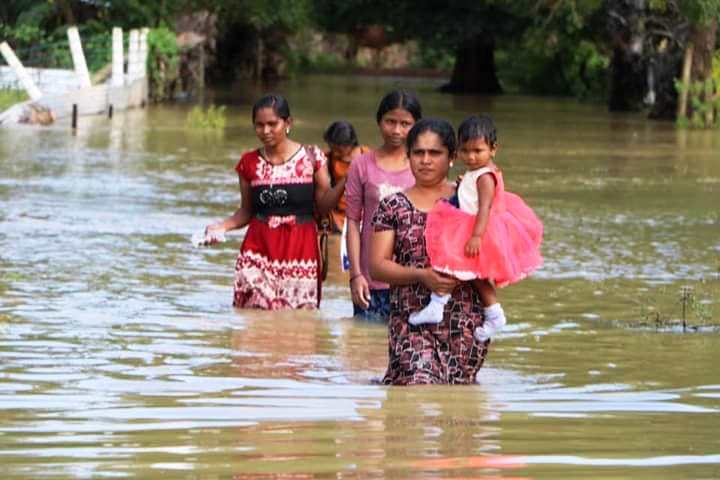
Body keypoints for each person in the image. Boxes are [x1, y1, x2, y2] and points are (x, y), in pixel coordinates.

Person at [370, 118, 489, 384]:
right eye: (418, 153)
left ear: (452, 157)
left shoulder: (468, 201)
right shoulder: (392, 206)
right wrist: (422, 275)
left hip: (463, 323)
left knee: (458, 412)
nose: (425, 160)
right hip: (411, 320)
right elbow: (377, 266)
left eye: (435, 153)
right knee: (418, 387)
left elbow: (493, 250)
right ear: (408, 156)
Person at [203, 94, 343, 309]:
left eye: (272, 124)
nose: (265, 131)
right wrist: (220, 227)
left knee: (297, 324)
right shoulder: (248, 163)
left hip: (300, 250)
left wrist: (345, 182)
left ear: (288, 123)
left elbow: (324, 205)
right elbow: (246, 212)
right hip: (258, 250)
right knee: (253, 318)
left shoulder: (312, 158)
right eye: (259, 125)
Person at [412, 115, 543, 342]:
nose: (471, 157)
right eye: (465, 150)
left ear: (493, 149)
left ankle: (438, 303)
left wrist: (476, 236)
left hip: (478, 227)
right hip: (473, 224)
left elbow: (484, 207)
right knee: (476, 276)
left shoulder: (484, 177)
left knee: (450, 261)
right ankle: (494, 314)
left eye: (477, 150)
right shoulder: (479, 173)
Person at [344, 90, 422, 319]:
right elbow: (352, 222)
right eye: (390, 122)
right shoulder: (361, 165)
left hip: (412, 282)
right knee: (365, 349)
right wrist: (355, 275)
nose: (397, 130)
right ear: (379, 121)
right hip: (369, 283)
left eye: (405, 123)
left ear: (416, 125)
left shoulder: (424, 164)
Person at [322, 121, 369, 233]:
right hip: (337, 213)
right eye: (332, 148)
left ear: (350, 144)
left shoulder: (366, 156)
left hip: (363, 211)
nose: (335, 152)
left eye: (339, 149)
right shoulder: (327, 159)